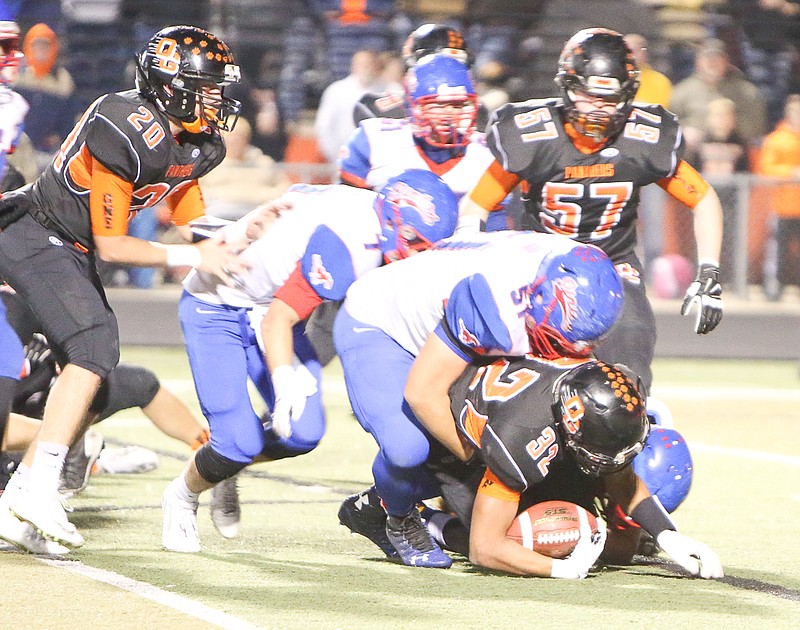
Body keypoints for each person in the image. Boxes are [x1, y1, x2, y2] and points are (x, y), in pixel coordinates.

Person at [0, 25, 245, 553]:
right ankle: (38, 485)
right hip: (32, 233)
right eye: (206, 87)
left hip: (67, 248)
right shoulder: (127, 126)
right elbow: (114, 247)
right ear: (171, 85)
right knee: (92, 344)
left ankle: (18, 496)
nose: (217, 99)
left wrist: (242, 239)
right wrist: (193, 256)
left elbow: (188, 209)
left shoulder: (195, 142)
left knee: (98, 366)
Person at [162, 169, 458, 553]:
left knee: (303, 434)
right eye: (415, 241)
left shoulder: (372, 211)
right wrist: (284, 384)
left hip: (269, 302)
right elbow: (278, 321)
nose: (419, 253)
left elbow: (300, 194)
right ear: (392, 219)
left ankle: (227, 466)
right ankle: (183, 494)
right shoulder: (351, 244)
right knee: (237, 441)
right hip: (218, 306)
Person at [333, 230, 624, 568]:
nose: (567, 355)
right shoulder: (495, 306)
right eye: (558, 342)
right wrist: (482, 460)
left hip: (456, 318)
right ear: (536, 301)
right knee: (409, 448)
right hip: (385, 329)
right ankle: (394, 515)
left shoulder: (583, 271)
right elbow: (422, 393)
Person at [459, 28, 725, 393]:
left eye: (609, 97)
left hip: (612, 265)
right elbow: (476, 205)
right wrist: (471, 263)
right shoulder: (535, 137)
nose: (598, 107)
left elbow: (703, 198)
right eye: (588, 95)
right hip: (539, 268)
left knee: (630, 358)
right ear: (568, 87)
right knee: (507, 367)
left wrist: (709, 271)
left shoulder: (641, 140)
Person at [340, 53, 508, 230]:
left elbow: (496, 230)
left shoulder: (489, 154)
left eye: (458, 105)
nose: (449, 114)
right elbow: (348, 216)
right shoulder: (374, 139)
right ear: (414, 106)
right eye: (438, 105)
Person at [670, 37, 767, 158]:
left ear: (726, 61)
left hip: (736, 154)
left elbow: (757, 127)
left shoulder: (747, 92)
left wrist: (728, 129)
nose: (712, 62)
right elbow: (668, 128)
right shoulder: (682, 91)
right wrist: (684, 133)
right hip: (694, 156)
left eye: (717, 58)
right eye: (707, 58)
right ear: (697, 61)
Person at [12, 22, 79, 172]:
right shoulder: (17, 75)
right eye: (36, 45)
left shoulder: (63, 80)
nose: (41, 50)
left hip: (48, 152)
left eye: (46, 46)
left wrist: (60, 136)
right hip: (18, 150)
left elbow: (70, 116)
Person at [760, 93, 800, 301]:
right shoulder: (776, 139)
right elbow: (767, 168)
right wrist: (792, 173)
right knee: (777, 250)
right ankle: (774, 286)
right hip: (782, 206)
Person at [314, 49, 387, 164]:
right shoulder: (336, 90)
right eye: (362, 64)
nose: (366, 68)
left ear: (376, 66)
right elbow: (324, 127)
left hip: (381, 161)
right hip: (343, 158)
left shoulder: (389, 90)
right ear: (353, 66)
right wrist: (337, 157)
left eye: (369, 64)